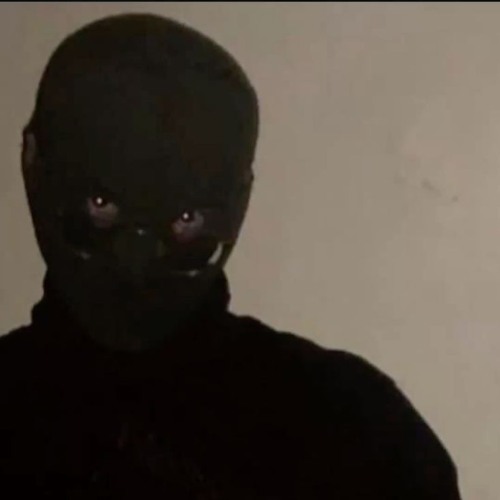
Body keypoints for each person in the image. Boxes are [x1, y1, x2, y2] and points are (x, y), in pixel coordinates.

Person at [0, 13, 461, 499]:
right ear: (33, 162)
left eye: (184, 220)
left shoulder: (358, 432)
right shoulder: (353, 427)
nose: (136, 264)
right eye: (101, 205)